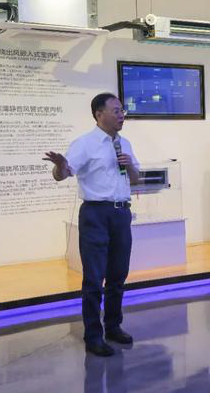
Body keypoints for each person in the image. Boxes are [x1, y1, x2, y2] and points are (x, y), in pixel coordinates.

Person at [44, 93, 140, 357]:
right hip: (95, 215)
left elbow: (135, 179)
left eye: (122, 110)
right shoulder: (85, 143)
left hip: (121, 214)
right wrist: (60, 166)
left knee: (118, 275)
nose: (121, 115)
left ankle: (113, 327)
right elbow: (63, 174)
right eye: (116, 110)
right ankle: (93, 336)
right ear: (99, 114)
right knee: (95, 278)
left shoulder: (125, 143)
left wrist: (130, 166)